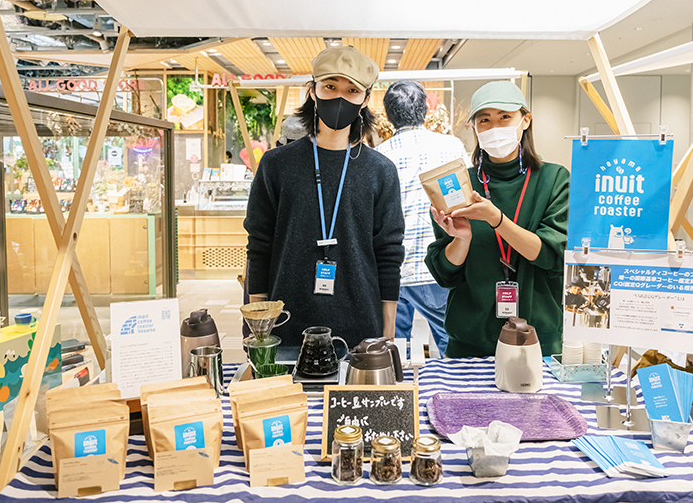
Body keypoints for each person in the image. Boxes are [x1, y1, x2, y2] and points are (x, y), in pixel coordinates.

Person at [244, 46, 405, 348]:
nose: (340, 97)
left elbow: (388, 251)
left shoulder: (381, 170)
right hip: (286, 320)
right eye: (330, 86)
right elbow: (259, 244)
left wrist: (388, 326)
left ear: (365, 99)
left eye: (352, 90)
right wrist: (258, 322)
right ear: (313, 91)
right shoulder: (277, 164)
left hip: (361, 324)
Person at [424, 81, 569, 358]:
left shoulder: (553, 180)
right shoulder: (458, 185)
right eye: (484, 120)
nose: (494, 127)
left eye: (505, 117)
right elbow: (445, 273)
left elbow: (550, 256)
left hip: (537, 339)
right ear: (475, 128)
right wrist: (461, 239)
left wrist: (497, 220)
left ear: (525, 120)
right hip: (470, 342)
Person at [376, 80, 467, 357]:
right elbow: (467, 200)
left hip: (391, 271)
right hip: (437, 266)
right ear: (426, 108)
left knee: (392, 350)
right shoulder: (451, 147)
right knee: (451, 344)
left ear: (388, 115)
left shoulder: (378, 156)